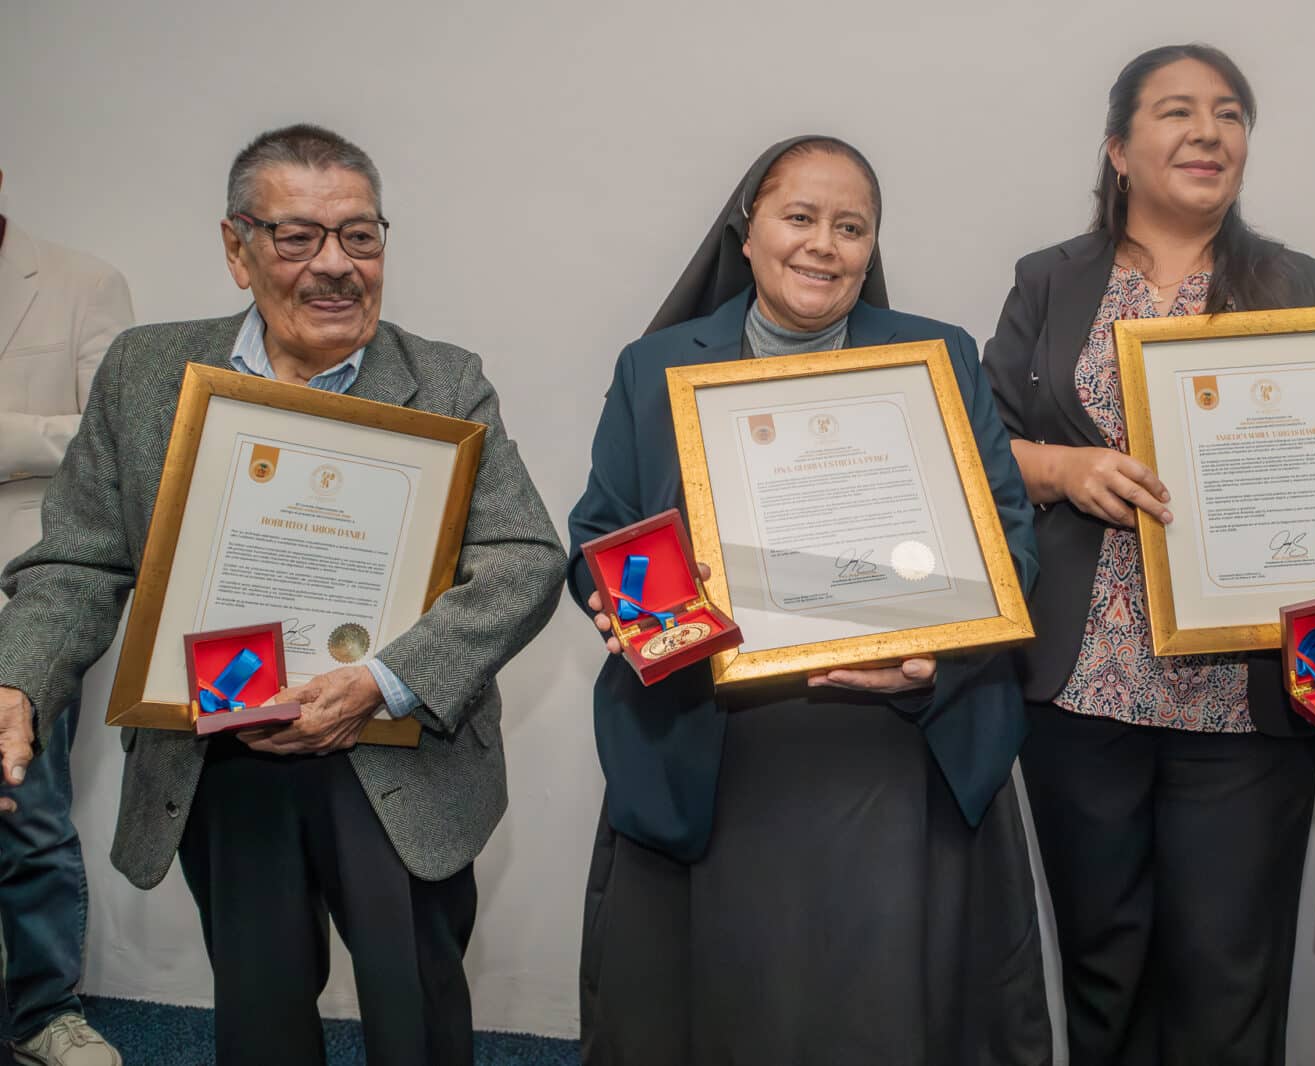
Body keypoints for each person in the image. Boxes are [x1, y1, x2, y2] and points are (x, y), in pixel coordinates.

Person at [0, 124, 566, 1066]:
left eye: (359, 236)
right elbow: (78, 562)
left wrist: (382, 680)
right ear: (237, 249)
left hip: (396, 750)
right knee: (259, 1017)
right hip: (222, 749)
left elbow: (524, 557)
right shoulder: (145, 373)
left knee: (416, 1017)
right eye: (297, 237)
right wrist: (17, 681)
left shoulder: (445, 380)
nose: (335, 265)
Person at [568, 135, 1050, 1066]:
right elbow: (604, 530)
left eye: (850, 227)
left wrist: (928, 654)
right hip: (714, 737)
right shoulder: (652, 365)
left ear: (871, 248)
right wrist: (627, 601)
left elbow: (1008, 538)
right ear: (747, 232)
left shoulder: (936, 357)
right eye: (800, 217)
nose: (824, 245)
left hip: (898, 735)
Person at [982, 43, 1315, 1065]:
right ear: (1117, 148)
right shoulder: (1050, 279)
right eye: (1177, 111)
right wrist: (1063, 468)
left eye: (1229, 112)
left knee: (1228, 968)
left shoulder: (1293, 280)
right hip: (1081, 688)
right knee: (1104, 964)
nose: (1208, 132)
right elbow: (980, 445)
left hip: (1244, 689)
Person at [0, 167, 131, 1066]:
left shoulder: (85, 282)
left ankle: (43, 1013)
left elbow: (109, 438)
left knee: (29, 814)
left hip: (30, 591)